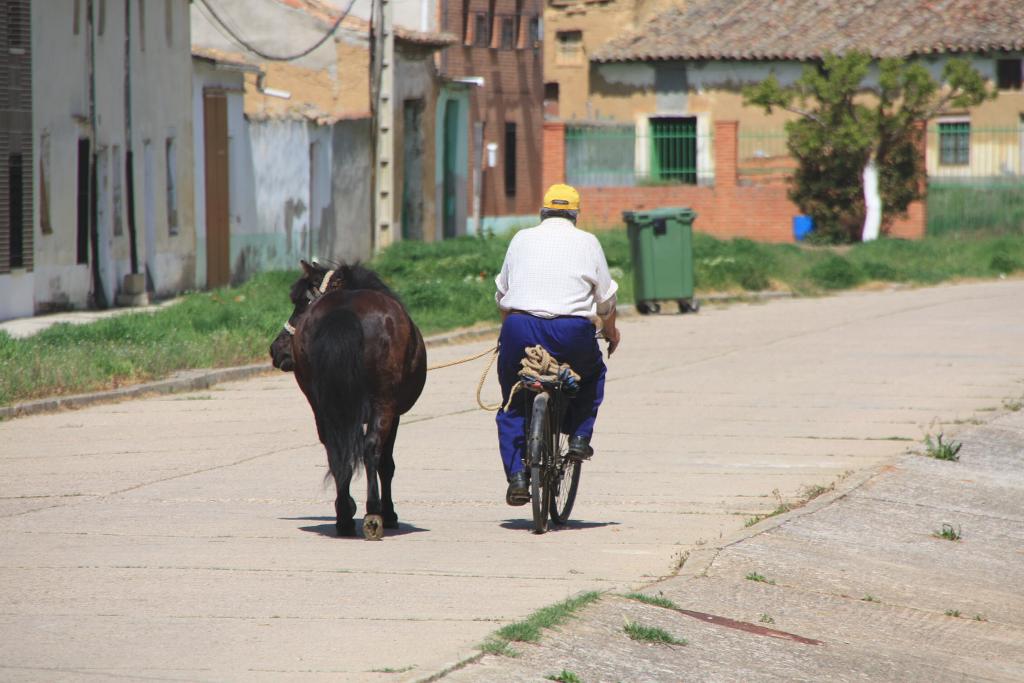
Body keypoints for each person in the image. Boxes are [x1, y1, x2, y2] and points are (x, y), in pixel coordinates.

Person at [493, 183, 620, 506]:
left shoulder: (521, 238)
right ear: (575, 215)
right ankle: (578, 437)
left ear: (543, 212)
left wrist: (507, 333)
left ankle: (518, 477)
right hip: (572, 330)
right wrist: (611, 332)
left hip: (520, 328)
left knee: (513, 395)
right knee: (592, 375)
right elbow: (605, 300)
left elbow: (502, 295)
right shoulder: (588, 242)